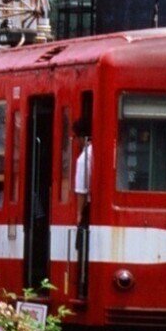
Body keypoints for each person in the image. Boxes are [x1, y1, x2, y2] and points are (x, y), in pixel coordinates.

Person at [72, 117, 92, 299]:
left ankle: (82, 288)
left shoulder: (84, 158)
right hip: (96, 207)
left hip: (89, 209)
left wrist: (78, 214)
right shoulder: (101, 151)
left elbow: (81, 191)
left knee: (82, 246)